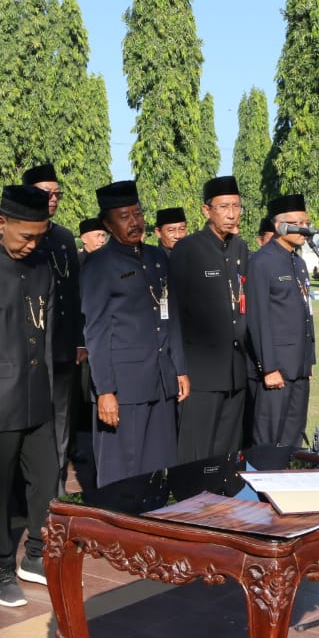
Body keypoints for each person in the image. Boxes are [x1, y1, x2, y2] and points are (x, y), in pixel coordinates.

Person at [0, 184, 55, 606]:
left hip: (37, 392)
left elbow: (47, 329)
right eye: (25, 236)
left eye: (40, 236)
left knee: (47, 479)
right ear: (1, 224)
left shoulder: (42, 265)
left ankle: (36, 555)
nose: (32, 244)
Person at [80, 180, 188, 488]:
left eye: (138, 213)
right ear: (107, 224)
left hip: (160, 380)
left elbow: (170, 315)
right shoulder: (99, 264)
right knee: (121, 474)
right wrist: (105, 391)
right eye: (124, 216)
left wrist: (180, 368)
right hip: (123, 388)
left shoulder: (157, 258)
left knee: (159, 468)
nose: (134, 222)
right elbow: (96, 331)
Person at [169, 176, 249, 462]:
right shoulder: (188, 249)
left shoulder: (240, 248)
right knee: (196, 453)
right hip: (200, 372)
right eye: (223, 207)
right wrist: (179, 368)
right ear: (206, 210)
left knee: (227, 453)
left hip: (235, 371)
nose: (231, 214)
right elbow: (174, 313)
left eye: (236, 206)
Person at [23, 163, 85, 496]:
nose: (53, 198)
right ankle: (28, 490)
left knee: (61, 418)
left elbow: (74, 292)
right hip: (29, 349)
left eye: (57, 193)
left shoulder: (62, 237)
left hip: (61, 345)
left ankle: (57, 483)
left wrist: (79, 340)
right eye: (46, 192)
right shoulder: (19, 236)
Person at [244, 194, 316, 468]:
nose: (303, 228)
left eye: (306, 222)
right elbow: (258, 319)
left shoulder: (298, 262)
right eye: (296, 223)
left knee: (293, 435)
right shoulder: (262, 261)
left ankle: (288, 481)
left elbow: (307, 313)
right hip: (276, 368)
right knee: (269, 437)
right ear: (278, 226)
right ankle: (263, 486)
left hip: (299, 366)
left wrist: (309, 359)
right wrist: (269, 367)